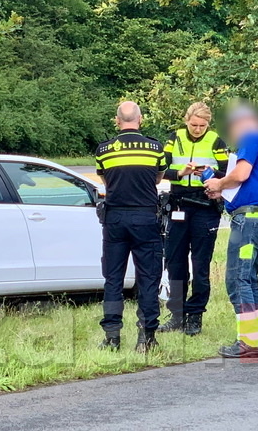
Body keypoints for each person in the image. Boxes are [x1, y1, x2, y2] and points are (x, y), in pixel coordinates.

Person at [203, 103, 258, 359]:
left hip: (249, 220)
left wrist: (219, 182)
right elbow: (252, 182)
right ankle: (255, 337)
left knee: (237, 278)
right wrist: (221, 189)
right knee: (249, 278)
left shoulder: (252, 136)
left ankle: (248, 342)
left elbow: (241, 173)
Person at [94, 100, 169, 353]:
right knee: (148, 278)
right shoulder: (155, 148)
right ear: (141, 119)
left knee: (113, 278)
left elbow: (106, 181)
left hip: (115, 219)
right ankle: (146, 338)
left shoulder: (103, 150)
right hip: (146, 218)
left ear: (117, 121)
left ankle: (112, 337)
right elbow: (158, 178)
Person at [159, 102, 230, 336]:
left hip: (205, 205)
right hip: (179, 203)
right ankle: (177, 315)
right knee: (175, 262)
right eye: (193, 124)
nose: (198, 129)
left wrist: (207, 173)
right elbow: (160, 170)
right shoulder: (175, 138)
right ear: (186, 120)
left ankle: (195, 316)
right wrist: (181, 172)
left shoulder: (216, 140)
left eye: (202, 125)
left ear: (208, 124)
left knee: (200, 265)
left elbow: (227, 173)